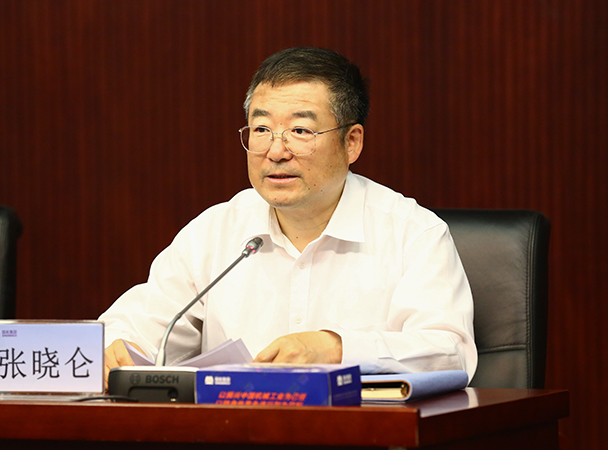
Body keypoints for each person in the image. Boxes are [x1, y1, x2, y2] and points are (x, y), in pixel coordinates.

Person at [99, 47, 477, 384]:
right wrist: (119, 348)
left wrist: (337, 349)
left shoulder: (413, 234)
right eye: (262, 129)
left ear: (351, 142)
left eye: (300, 130)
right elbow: (138, 325)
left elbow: (448, 351)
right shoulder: (214, 232)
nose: (276, 151)